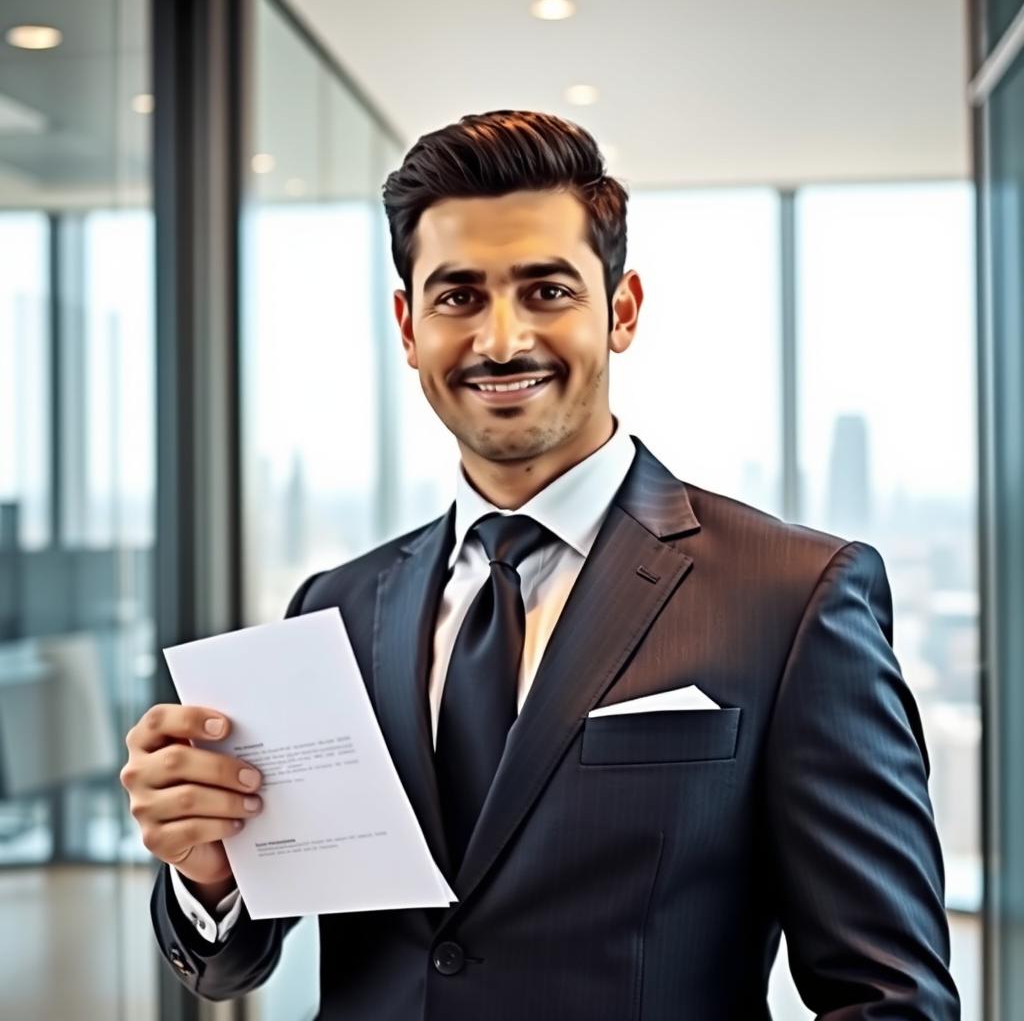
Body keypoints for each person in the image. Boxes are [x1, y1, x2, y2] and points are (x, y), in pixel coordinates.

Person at [121, 109, 960, 1019]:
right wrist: (207, 872)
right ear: (408, 327)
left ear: (622, 309)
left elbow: (889, 994)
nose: (501, 341)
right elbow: (233, 965)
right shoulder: (339, 606)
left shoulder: (793, 598)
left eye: (547, 290)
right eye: (458, 297)